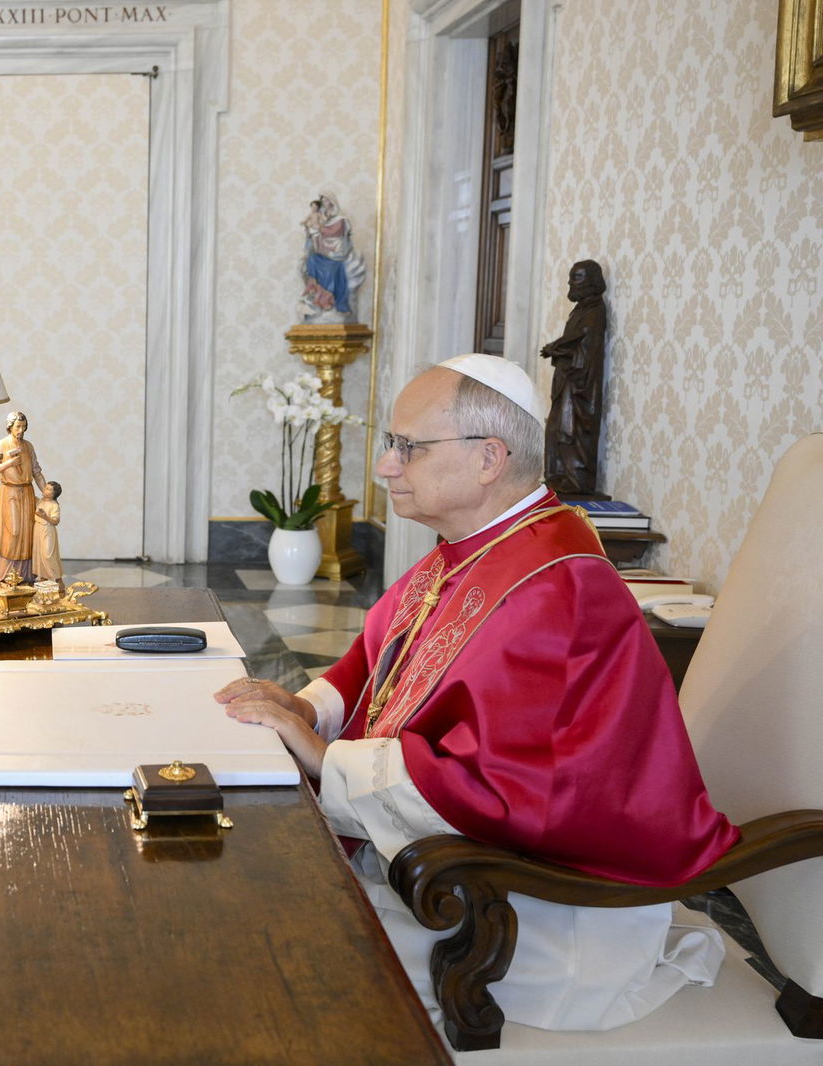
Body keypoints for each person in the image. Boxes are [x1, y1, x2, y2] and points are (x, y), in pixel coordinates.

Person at [216, 353, 738, 1032]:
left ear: (489, 458)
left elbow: (518, 787)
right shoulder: (477, 545)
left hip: (541, 913)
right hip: (463, 873)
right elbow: (382, 658)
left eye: (408, 447)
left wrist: (324, 757)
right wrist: (308, 707)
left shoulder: (559, 586)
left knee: (266, 945)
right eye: (391, 444)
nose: (386, 466)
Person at [540, 259, 608, 495]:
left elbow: (585, 339)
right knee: (556, 430)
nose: (570, 283)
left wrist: (557, 348)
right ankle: (558, 476)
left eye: (576, 278)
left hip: (579, 385)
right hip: (567, 382)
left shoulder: (595, 310)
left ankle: (574, 479)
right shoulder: (581, 309)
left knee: (571, 431)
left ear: (591, 281)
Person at [0, 411, 47, 582]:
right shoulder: (0, 445)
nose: (21, 430)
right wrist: (9, 463)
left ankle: (26, 576)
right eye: (18, 426)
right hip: (10, 492)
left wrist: (46, 492)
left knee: (27, 532)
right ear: (10, 426)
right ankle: (5, 576)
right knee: (13, 531)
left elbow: (36, 471)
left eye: (24, 426)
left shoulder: (28, 446)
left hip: (27, 492)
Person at [298, 192, 367, 322]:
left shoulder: (340, 219)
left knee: (333, 270)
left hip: (335, 251)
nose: (324, 203)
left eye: (326, 200)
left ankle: (330, 300)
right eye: (322, 200)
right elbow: (313, 229)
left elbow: (335, 231)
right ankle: (316, 296)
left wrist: (319, 228)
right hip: (323, 249)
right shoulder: (322, 217)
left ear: (332, 202)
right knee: (311, 260)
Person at [32, 480, 63, 582]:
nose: (45, 489)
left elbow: (55, 521)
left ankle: (58, 579)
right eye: (46, 487)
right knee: (39, 554)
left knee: (48, 555)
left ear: (54, 494)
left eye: (49, 489)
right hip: (38, 529)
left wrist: (45, 516)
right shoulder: (40, 501)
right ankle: (43, 577)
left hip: (48, 530)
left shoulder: (54, 505)